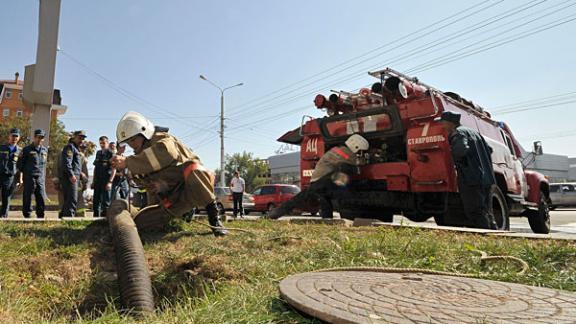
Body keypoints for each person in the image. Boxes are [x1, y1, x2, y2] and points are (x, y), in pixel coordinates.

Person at [110, 111, 227, 236]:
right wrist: (155, 185)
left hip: (190, 189)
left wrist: (128, 162)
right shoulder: (139, 156)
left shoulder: (164, 140)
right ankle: (180, 216)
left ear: (144, 133)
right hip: (171, 198)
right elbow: (141, 177)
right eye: (128, 143)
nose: (131, 145)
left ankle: (215, 219)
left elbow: (164, 154)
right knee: (141, 223)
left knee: (193, 169)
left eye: (133, 140)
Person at [269, 134, 369, 219]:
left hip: (319, 181)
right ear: (355, 146)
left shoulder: (338, 150)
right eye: (360, 150)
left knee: (322, 202)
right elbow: (354, 162)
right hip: (323, 181)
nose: (360, 153)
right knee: (346, 173)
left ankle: (274, 214)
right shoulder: (344, 152)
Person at [438, 111, 498, 230]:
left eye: (443, 123)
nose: (442, 126)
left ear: (450, 123)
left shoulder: (458, 133)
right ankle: (494, 233)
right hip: (486, 178)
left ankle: (484, 236)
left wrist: (455, 160)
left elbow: (461, 150)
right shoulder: (474, 132)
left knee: (475, 211)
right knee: (486, 210)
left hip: (471, 177)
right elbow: (490, 150)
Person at [18, 129, 48, 218]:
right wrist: (25, 175)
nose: (40, 139)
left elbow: (44, 164)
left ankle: (40, 215)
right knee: (28, 196)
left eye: (42, 138)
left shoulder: (44, 150)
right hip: (29, 177)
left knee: (41, 196)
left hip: (40, 178)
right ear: (34, 137)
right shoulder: (26, 149)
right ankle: (27, 215)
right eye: (38, 137)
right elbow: (20, 164)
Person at [59, 130, 86, 218]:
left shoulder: (76, 149)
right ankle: (69, 219)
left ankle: (64, 217)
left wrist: (80, 173)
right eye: (79, 138)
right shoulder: (70, 147)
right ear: (74, 137)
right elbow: (67, 163)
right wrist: (71, 175)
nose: (81, 140)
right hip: (70, 178)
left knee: (69, 199)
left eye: (83, 138)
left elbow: (75, 164)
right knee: (72, 199)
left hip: (75, 177)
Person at [0, 128, 22, 217]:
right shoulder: (1, 148)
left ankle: (4, 216)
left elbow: (20, 166)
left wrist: (20, 178)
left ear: (19, 138)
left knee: (6, 197)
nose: (14, 138)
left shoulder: (20, 151)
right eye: (13, 136)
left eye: (16, 136)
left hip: (9, 177)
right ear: (9, 136)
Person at [92, 136, 115, 216]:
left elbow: (114, 169)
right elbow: (95, 168)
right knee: (96, 201)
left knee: (106, 202)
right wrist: (93, 181)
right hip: (98, 180)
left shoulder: (111, 153)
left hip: (106, 180)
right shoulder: (98, 153)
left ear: (107, 143)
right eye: (100, 143)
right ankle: (96, 220)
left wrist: (110, 182)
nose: (102, 145)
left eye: (104, 143)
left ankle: (105, 220)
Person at [77, 143, 90, 216]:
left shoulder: (83, 156)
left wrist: (85, 182)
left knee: (81, 197)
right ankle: (79, 214)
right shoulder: (77, 155)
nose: (83, 149)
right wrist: (81, 173)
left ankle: (81, 214)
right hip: (78, 179)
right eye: (81, 147)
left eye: (84, 148)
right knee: (79, 198)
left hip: (83, 181)